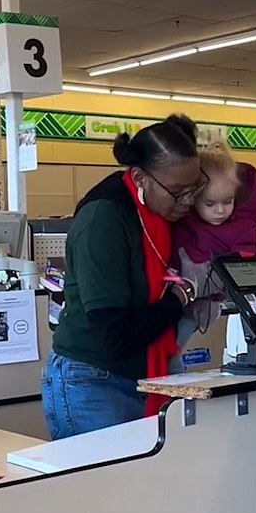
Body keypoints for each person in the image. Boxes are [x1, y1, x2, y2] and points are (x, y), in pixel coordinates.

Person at [41, 115, 207, 439]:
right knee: (105, 488)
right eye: (177, 192)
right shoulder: (104, 219)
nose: (188, 201)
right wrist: (178, 300)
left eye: (195, 187)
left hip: (138, 374)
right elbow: (113, 334)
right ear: (140, 177)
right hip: (92, 380)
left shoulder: (156, 215)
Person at [169, 148, 256, 360]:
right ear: (193, 198)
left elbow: (244, 271)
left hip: (203, 310)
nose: (220, 210)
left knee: (176, 357)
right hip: (169, 303)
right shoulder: (182, 220)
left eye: (228, 201)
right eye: (210, 204)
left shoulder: (244, 229)